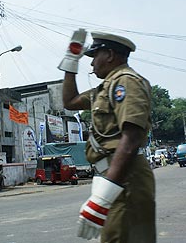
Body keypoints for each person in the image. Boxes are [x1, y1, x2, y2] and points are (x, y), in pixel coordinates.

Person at [58, 29, 156, 243]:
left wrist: (102, 197)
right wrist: (70, 62)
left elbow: (131, 139)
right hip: (115, 178)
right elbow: (70, 101)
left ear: (110, 55)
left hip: (125, 178)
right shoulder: (105, 88)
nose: (92, 65)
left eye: (94, 57)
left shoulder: (126, 82)